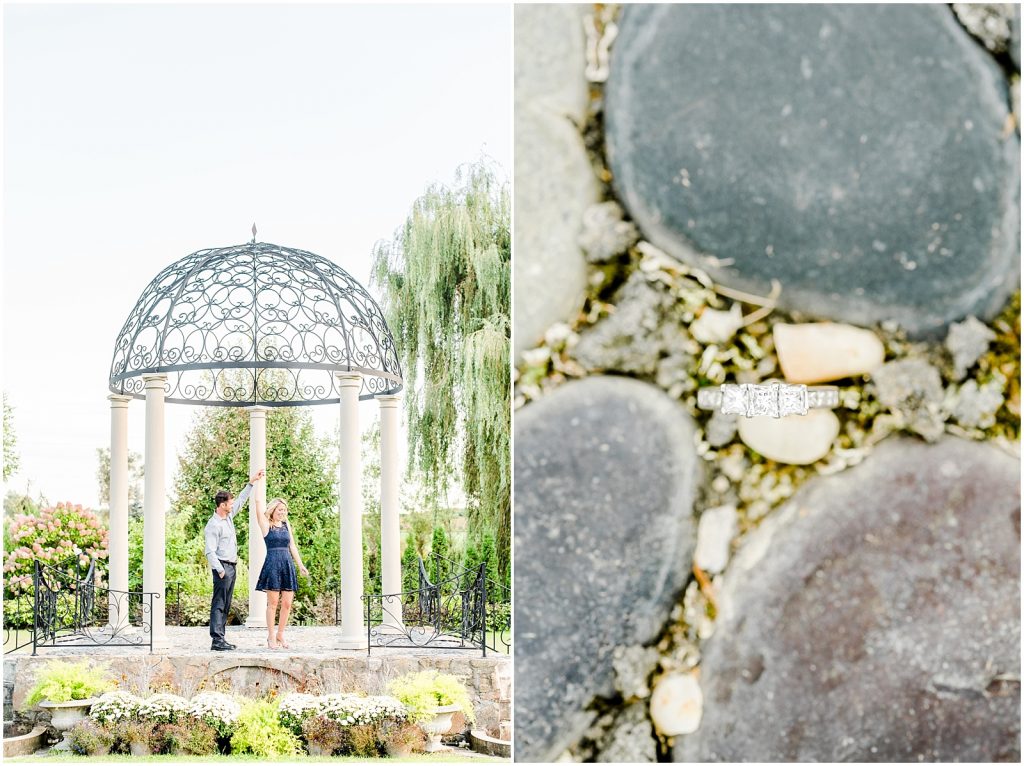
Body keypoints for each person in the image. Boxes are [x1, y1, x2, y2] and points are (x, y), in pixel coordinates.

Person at [204, 469, 264, 651]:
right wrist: (220, 570)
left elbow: (241, 500)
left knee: (226, 603)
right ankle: (216, 640)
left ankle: (221, 639)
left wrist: (251, 483)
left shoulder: (228, 517)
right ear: (222, 505)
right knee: (219, 604)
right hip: (222, 567)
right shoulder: (213, 525)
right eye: (229, 503)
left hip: (232, 566)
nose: (232, 505)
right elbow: (209, 551)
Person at [254, 494, 309, 649]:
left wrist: (300, 565)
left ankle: (280, 635)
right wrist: (256, 482)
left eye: (284, 510)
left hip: (287, 564)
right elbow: (258, 502)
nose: (282, 512)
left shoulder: (286, 524)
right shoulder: (266, 525)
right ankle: (271, 636)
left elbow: (292, 546)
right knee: (272, 604)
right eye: (280, 510)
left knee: (287, 604)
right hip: (272, 564)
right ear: (273, 510)